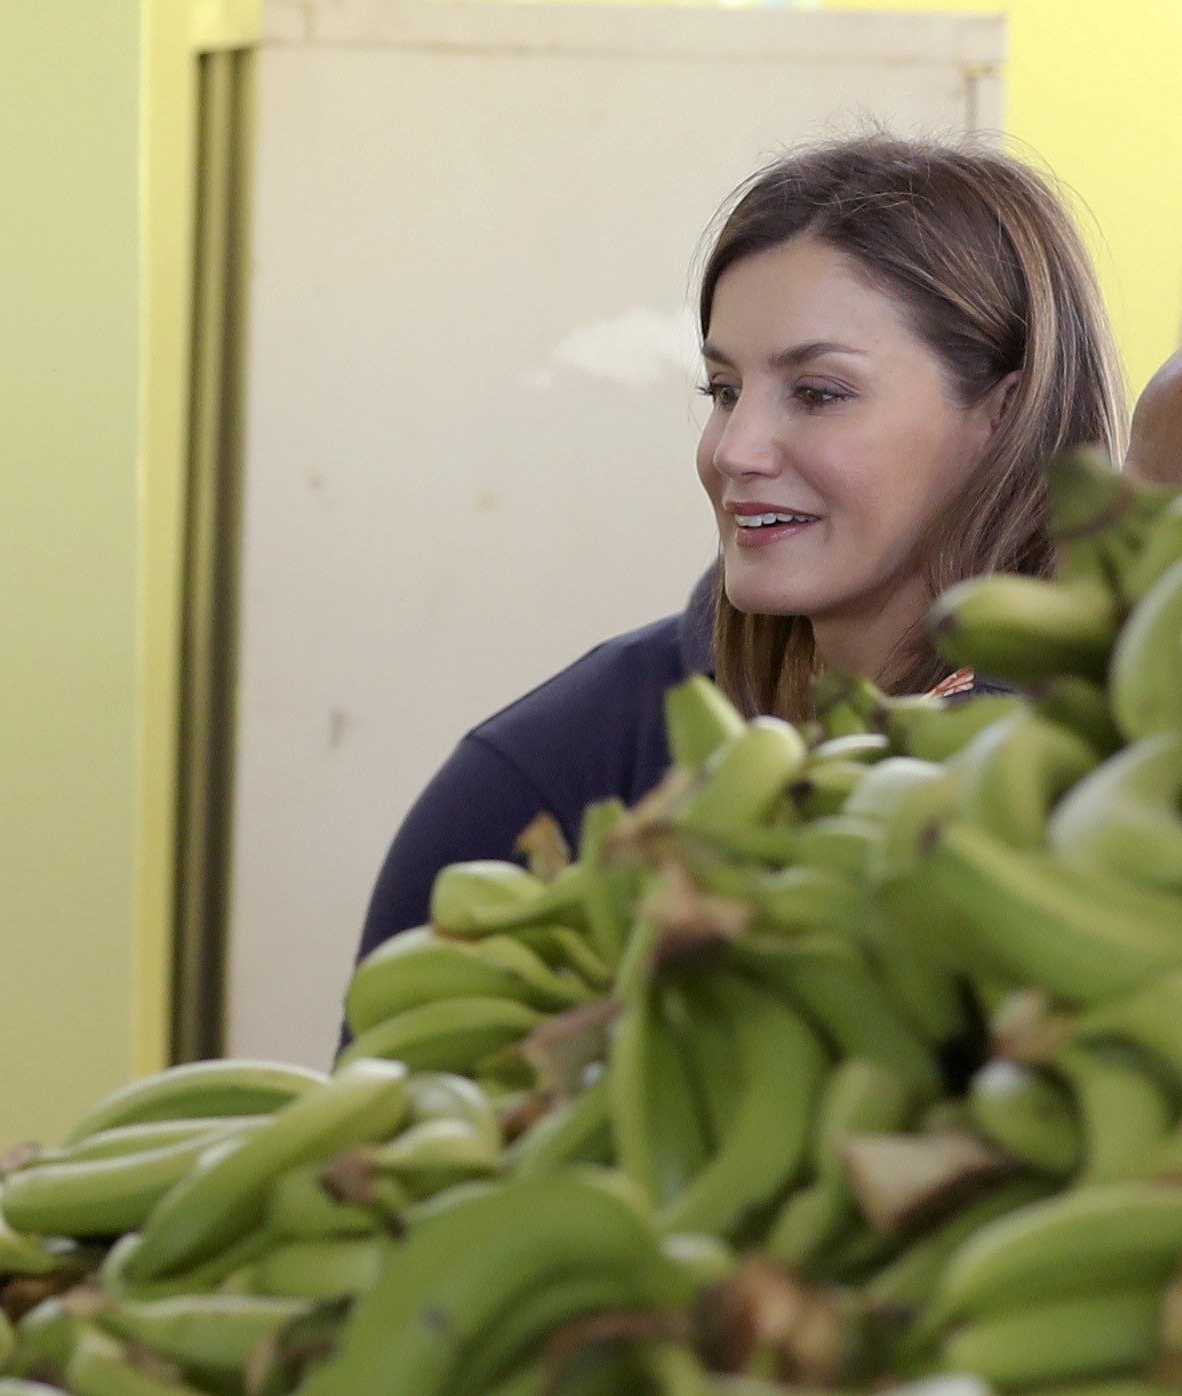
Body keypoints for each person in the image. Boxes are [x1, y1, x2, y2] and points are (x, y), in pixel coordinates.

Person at [351, 132, 1129, 970]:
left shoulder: (1119, 776)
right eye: (724, 391)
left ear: (1004, 415)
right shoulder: (559, 773)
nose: (736, 450)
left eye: (818, 394)